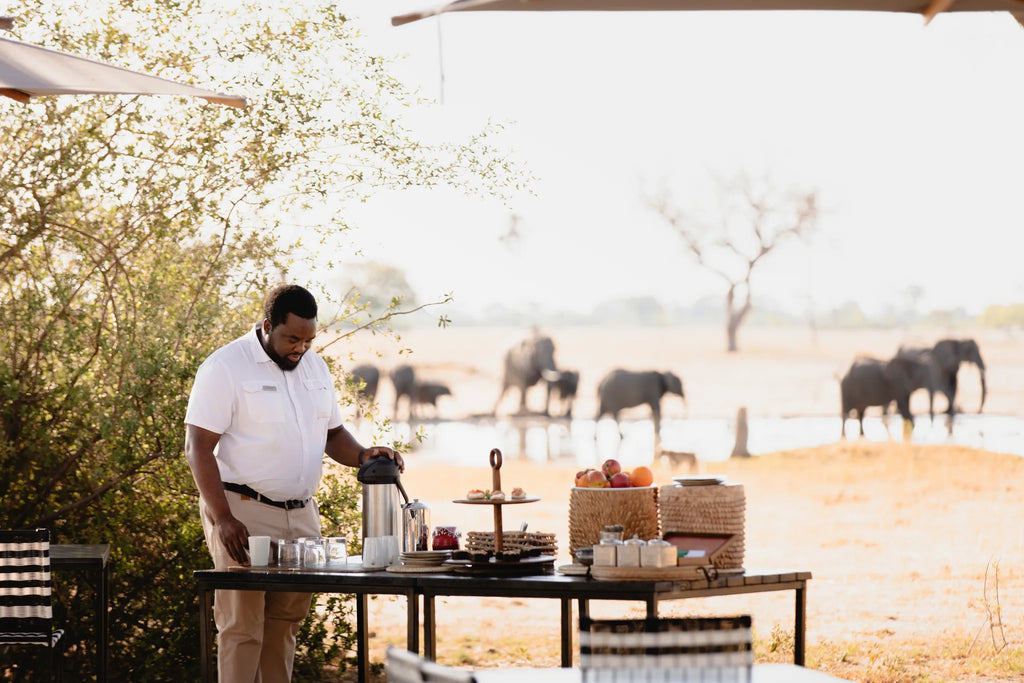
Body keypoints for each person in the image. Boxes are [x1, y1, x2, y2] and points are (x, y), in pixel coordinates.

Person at [184, 283, 402, 682]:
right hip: (242, 514)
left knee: (286, 625)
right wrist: (223, 517)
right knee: (241, 626)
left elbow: (334, 435)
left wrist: (364, 454)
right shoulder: (225, 367)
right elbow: (197, 447)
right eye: (291, 338)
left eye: (308, 339)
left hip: (302, 517)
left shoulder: (315, 368)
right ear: (268, 325)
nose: (300, 348)